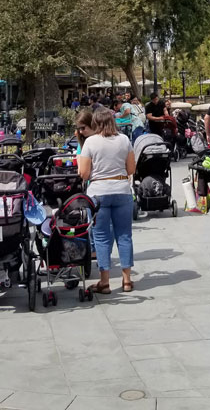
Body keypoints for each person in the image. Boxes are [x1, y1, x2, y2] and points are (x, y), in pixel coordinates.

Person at [77, 107, 136, 294]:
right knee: (124, 236)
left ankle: (105, 281)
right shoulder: (124, 140)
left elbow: (84, 174)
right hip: (121, 190)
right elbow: (131, 169)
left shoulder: (90, 142)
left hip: (98, 192)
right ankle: (127, 280)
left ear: (95, 123)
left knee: (101, 237)